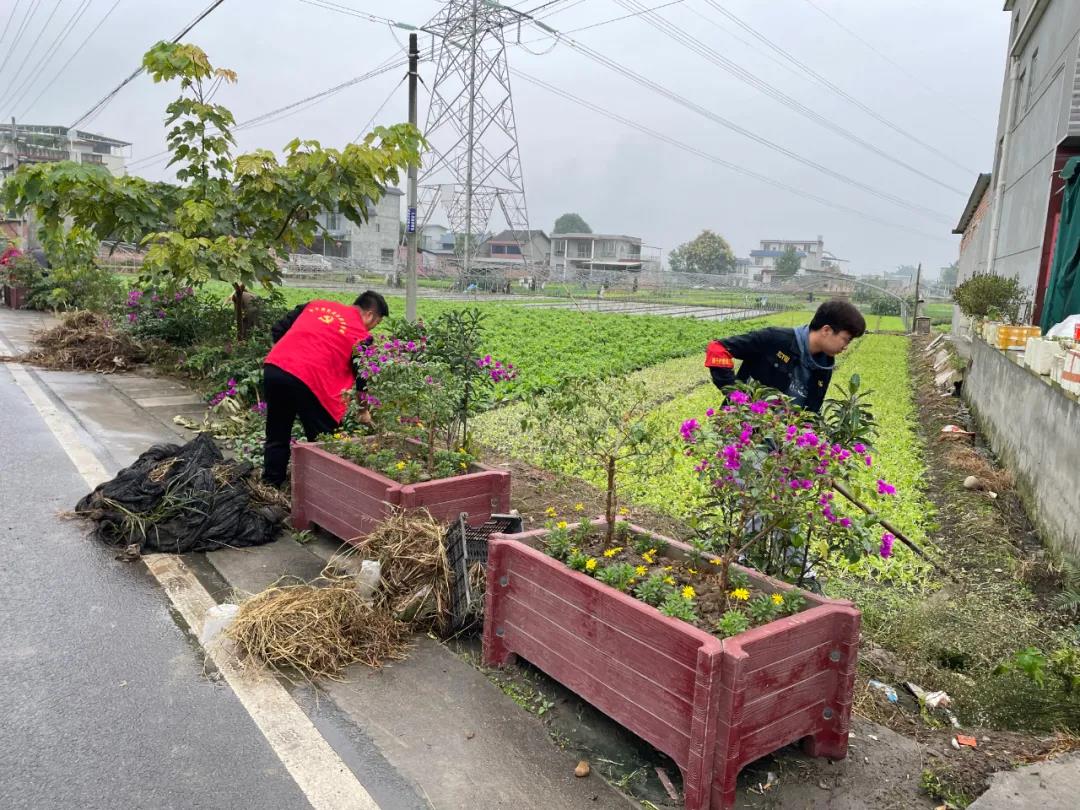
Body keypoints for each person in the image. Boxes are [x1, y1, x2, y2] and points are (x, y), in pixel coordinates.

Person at [261, 290, 389, 487]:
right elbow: (362, 376)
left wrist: (293, 356)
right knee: (325, 441)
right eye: (376, 323)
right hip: (310, 381)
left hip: (276, 369)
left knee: (277, 434)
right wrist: (363, 411)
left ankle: (270, 487)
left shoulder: (314, 306)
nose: (372, 329)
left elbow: (278, 329)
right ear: (370, 314)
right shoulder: (360, 334)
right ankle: (325, 492)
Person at [705, 299, 866, 412]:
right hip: (744, 436)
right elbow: (717, 348)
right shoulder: (774, 339)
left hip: (782, 450)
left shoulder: (824, 365)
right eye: (846, 339)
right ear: (826, 330)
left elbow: (811, 411)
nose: (845, 347)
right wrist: (736, 396)